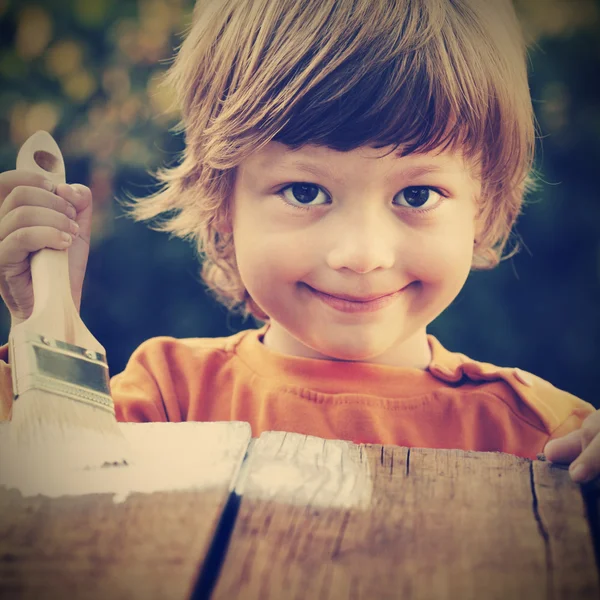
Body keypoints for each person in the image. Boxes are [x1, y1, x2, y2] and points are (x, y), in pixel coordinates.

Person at [0, 0, 598, 483]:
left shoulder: (546, 433)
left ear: (485, 209)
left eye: (416, 196)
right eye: (306, 192)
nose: (361, 255)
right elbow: (40, 494)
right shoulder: (168, 397)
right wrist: (42, 329)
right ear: (223, 203)